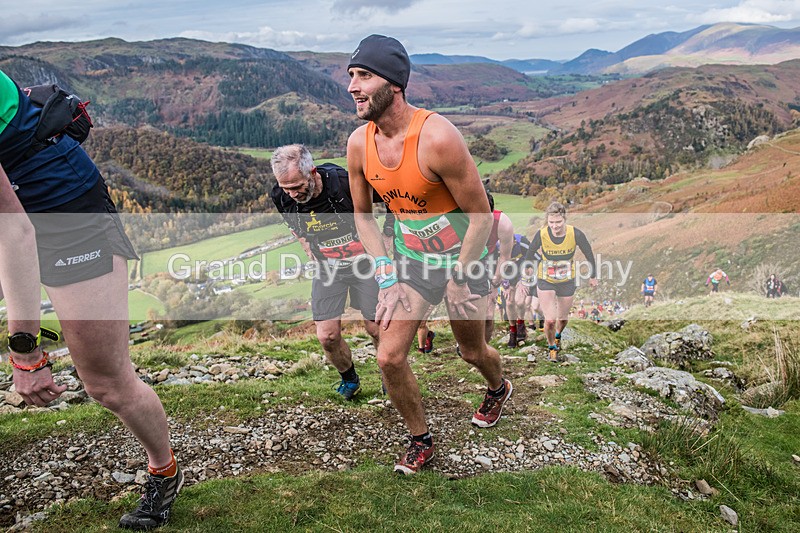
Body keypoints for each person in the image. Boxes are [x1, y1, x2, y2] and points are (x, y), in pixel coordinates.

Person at [0, 69, 181, 530]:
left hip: (62, 207)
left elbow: (14, 234)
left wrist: (26, 351)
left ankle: (164, 470)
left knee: (105, 380)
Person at [346, 34, 512, 475]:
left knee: (472, 352)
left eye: (363, 75)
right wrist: (387, 274)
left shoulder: (437, 138)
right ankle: (421, 439)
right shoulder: (359, 144)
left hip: (465, 258)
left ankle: (497, 388)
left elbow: (481, 217)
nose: (352, 86)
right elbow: (363, 218)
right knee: (388, 355)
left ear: (394, 84)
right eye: (350, 76)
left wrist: (459, 278)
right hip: (412, 263)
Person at [270, 144, 381, 400]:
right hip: (328, 268)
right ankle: (350, 379)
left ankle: (390, 375)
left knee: (376, 328)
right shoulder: (281, 195)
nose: (293, 193)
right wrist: (307, 247)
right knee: (327, 336)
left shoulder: (342, 182)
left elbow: (392, 199)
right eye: (287, 188)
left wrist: (386, 240)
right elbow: (294, 227)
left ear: (313, 172)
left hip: (366, 263)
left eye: (298, 186)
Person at [525, 202, 597, 363]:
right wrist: (528, 269)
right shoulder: (541, 234)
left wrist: (593, 275)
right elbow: (529, 254)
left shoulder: (575, 233)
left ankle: (557, 336)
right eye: (551, 223)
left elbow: (589, 253)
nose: (555, 226)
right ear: (547, 221)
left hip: (567, 281)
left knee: (562, 319)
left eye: (558, 222)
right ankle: (552, 348)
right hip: (546, 279)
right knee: (550, 320)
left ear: (564, 219)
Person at [483, 192, 515, 343]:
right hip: (461, 258)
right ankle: (465, 341)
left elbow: (504, 257)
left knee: (489, 313)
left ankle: (482, 348)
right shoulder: (459, 217)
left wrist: (496, 284)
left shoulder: (503, 223)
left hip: (488, 259)